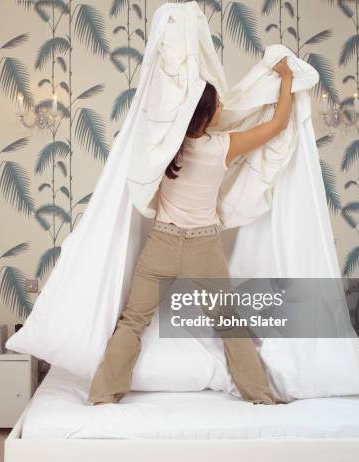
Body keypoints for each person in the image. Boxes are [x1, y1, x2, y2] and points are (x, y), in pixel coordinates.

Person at [87, 57, 295, 405]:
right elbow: (277, 125)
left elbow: (138, 126)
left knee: (133, 322)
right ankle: (260, 397)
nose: (224, 108)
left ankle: (103, 396)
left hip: (161, 246)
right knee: (230, 324)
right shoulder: (222, 146)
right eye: (218, 105)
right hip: (204, 251)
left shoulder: (165, 146)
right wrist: (286, 78)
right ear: (207, 114)